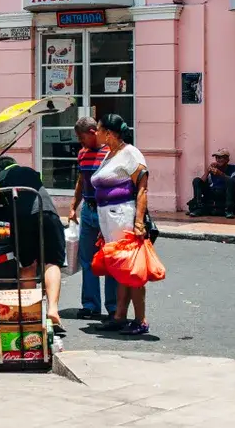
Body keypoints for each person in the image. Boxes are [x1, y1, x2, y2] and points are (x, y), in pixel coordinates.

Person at [0, 159, 67, 333]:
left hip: (24, 221)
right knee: (52, 262)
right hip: (49, 215)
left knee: (27, 266)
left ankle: (32, 314)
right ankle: (53, 310)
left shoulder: (1, 177)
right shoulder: (31, 172)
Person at [90, 113, 151, 336]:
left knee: (131, 268)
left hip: (122, 215)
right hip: (108, 217)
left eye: (98, 128)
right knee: (118, 269)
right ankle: (119, 316)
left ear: (109, 133)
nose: (95, 132)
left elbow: (143, 188)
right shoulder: (110, 154)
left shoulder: (130, 153)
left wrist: (139, 223)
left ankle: (140, 320)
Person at [68, 117, 116, 321]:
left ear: (92, 131)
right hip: (88, 210)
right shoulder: (82, 154)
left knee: (111, 259)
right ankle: (90, 305)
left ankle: (113, 306)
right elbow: (81, 181)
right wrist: (73, 207)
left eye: (81, 137)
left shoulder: (111, 153)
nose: (80, 142)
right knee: (87, 258)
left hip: (108, 211)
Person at [189, 149, 235, 219]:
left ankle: (229, 210)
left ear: (227, 159)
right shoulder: (214, 168)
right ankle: (198, 208)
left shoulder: (233, 168)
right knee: (197, 180)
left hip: (224, 194)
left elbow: (234, 183)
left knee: (231, 181)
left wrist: (220, 174)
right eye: (216, 158)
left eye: (220, 157)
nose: (218, 160)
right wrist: (208, 171)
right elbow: (202, 182)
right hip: (213, 193)